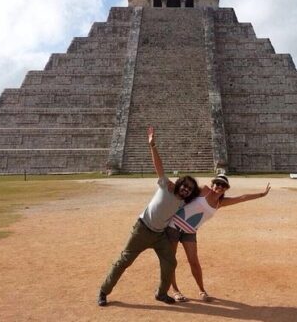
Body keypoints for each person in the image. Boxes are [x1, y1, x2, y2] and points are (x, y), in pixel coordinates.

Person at [97, 127, 200, 306]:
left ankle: (161, 293)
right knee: (124, 261)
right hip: (142, 229)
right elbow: (159, 166)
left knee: (170, 262)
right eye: (185, 186)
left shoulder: (183, 202)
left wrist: (217, 191)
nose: (186, 189)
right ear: (180, 183)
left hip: (159, 235)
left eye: (189, 189)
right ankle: (103, 291)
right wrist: (152, 145)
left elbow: (203, 197)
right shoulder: (165, 186)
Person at [166, 173, 271, 302]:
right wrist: (171, 185)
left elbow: (242, 197)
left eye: (223, 185)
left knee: (194, 262)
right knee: (170, 260)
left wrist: (262, 194)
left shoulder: (220, 203)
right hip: (174, 226)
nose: (220, 186)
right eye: (217, 183)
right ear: (212, 184)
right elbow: (186, 188)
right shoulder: (204, 190)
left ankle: (202, 290)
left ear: (226, 189)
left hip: (190, 231)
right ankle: (175, 290)